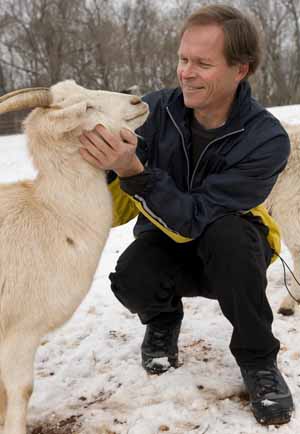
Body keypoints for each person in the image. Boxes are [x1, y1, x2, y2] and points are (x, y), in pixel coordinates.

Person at [79, 4, 294, 426]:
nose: (185, 72)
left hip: (233, 252)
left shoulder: (266, 138)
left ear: (241, 70)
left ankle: (259, 360)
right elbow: (108, 192)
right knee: (132, 276)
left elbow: (197, 217)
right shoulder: (153, 112)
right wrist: (97, 160)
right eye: (183, 59)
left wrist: (134, 172)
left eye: (203, 63)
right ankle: (162, 319)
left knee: (230, 237)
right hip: (164, 237)